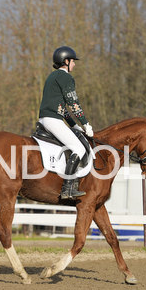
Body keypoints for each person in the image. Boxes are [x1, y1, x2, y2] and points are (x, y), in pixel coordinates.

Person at [38, 46, 94, 200]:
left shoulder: (52, 77)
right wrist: (85, 124)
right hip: (53, 120)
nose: (74, 64)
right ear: (66, 61)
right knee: (79, 149)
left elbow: (62, 108)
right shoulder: (65, 77)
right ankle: (67, 189)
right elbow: (73, 103)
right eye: (73, 61)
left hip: (45, 119)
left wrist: (74, 126)